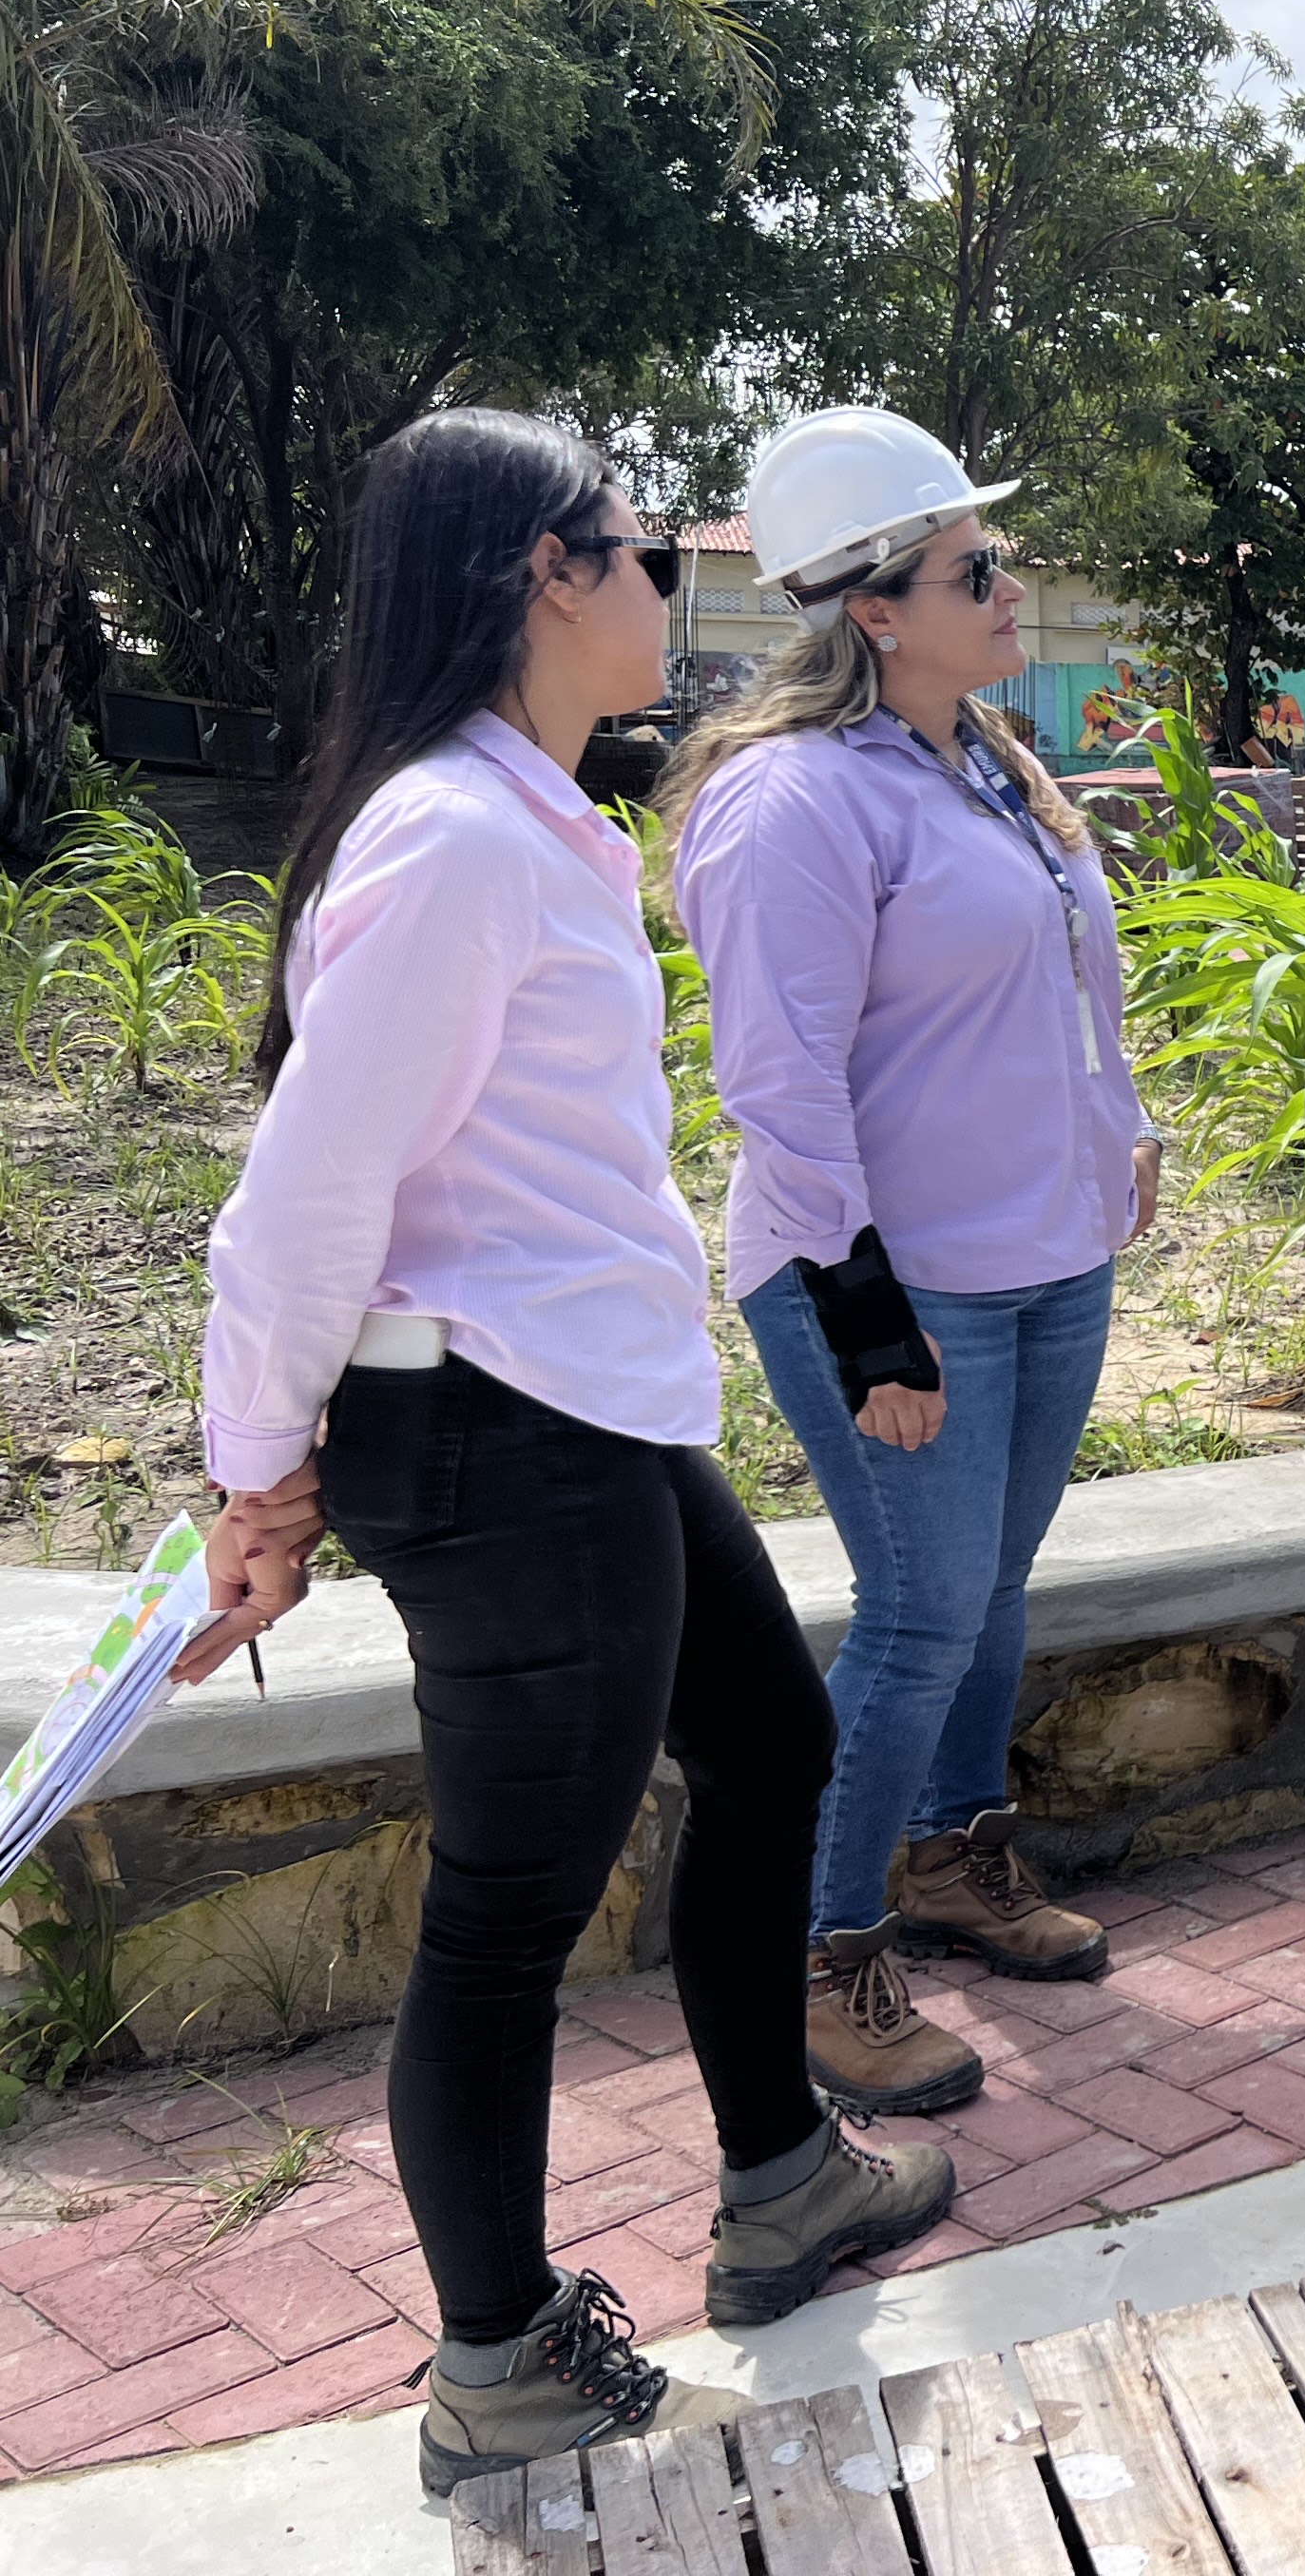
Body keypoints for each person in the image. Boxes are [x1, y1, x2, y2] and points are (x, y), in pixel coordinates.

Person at [190, 411, 950, 2500]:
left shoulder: (523, 819)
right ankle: (497, 2358)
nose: (665, 584)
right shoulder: (455, 839)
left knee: (775, 1745)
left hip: (577, 1419)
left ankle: (781, 2179)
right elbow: (304, 1193)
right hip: (506, 1438)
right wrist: (256, 1478)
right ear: (542, 573)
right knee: (508, 1912)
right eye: (632, 545)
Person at [663, 408, 1161, 2119]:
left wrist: (1123, 1133)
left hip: (1042, 1254)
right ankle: (823, 1947)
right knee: (921, 1608)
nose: (1011, 585)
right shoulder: (794, 801)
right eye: (977, 568)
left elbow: (1062, 983)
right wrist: (868, 1315)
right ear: (876, 606)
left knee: (994, 1586)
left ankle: (955, 1852)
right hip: (894, 1281)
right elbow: (780, 1082)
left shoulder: (980, 764)